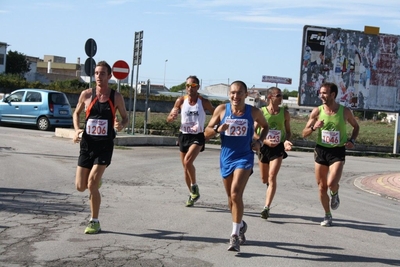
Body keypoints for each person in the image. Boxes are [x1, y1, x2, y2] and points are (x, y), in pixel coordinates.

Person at [204, 80, 269, 252]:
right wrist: (218, 129)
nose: (235, 96)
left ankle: (234, 236)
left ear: (246, 95)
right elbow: (206, 134)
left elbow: (265, 126)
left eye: (239, 92)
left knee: (235, 193)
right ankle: (240, 225)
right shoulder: (221, 110)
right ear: (229, 94)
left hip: (244, 157)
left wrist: (260, 142)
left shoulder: (254, 112)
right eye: (232, 92)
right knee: (231, 199)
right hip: (226, 158)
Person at [73, 61, 128, 234]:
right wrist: (77, 130)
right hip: (87, 144)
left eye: (102, 73)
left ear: (109, 76)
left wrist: (121, 125)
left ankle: (94, 221)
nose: (98, 76)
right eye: (96, 73)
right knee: (80, 186)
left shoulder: (115, 97)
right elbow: (76, 113)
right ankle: (96, 182)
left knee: (91, 184)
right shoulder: (86, 94)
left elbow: (125, 118)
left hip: (104, 146)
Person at [302, 82, 359, 227]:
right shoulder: (317, 111)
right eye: (320, 93)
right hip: (321, 150)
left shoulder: (344, 111)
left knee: (332, 183)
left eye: (324, 93)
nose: (321, 96)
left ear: (333, 95)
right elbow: (304, 133)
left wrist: (352, 140)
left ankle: (335, 193)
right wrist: (314, 127)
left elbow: (356, 126)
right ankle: (327, 215)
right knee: (321, 186)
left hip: (337, 151)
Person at [166, 75, 215, 207]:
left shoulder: (203, 102)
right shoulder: (180, 101)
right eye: (187, 85)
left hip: (198, 136)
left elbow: (216, 114)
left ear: (198, 87)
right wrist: (172, 117)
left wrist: (212, 128)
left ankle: (194, 186)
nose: (189, 88)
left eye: (193, 86)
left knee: (188, 162)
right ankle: (192, 194)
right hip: (184, 135)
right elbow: (169, 118)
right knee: (185, 168)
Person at [254, 87, 293, 220]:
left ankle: (266, 207)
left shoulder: (285, 113)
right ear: (270, 97)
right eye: (279, 95)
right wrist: (264, 141)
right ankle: (269, 187)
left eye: (281, 95)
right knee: (265, 179)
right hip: (264, 147)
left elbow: (288, 131)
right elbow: (253, 132)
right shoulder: (261, 112)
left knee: (272, 177)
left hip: (278, 148)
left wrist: (287, 141)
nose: (281, 97)